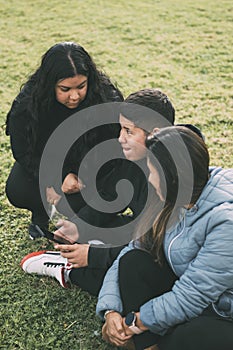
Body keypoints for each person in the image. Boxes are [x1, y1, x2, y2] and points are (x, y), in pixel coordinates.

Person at [20, 88, 176, 295]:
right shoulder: (136, 157)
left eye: (129, 131)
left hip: (166, 254)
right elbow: (109, 197)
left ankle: (69, 270)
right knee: (105, 226)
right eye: (121, 129)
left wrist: (93, 256)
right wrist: (78, 227)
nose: (121, 138)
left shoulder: (176, 173)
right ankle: (90, 249)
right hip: (144, 232)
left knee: (131, 280)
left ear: (155, 133)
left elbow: (154, 246)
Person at [96, 126, 233, 350]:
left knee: (187, 337)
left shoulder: (226, 223)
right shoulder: (175, 199)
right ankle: (147, 345)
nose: (149, 179)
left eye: (152, 172)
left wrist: (134, 322)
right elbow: (130, 251)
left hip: (224, 312)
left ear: (173, 177)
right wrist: (111, 311)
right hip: (194, 295)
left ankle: (147, 341)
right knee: (134, 262)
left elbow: (192, 295)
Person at [5, 41, 123, 239]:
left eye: (81, 86)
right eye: (65, 89)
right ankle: (41, 214)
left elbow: (114, 146)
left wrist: (79, 176)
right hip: (47, 164)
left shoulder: (106, 99)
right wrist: (55, 178)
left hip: (88, 170)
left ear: (89, 80)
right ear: (49, 84)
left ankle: (87, 223)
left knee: (76, 204)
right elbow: (23, 151)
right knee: (19, 189)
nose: (75, 96)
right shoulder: (27, 105)